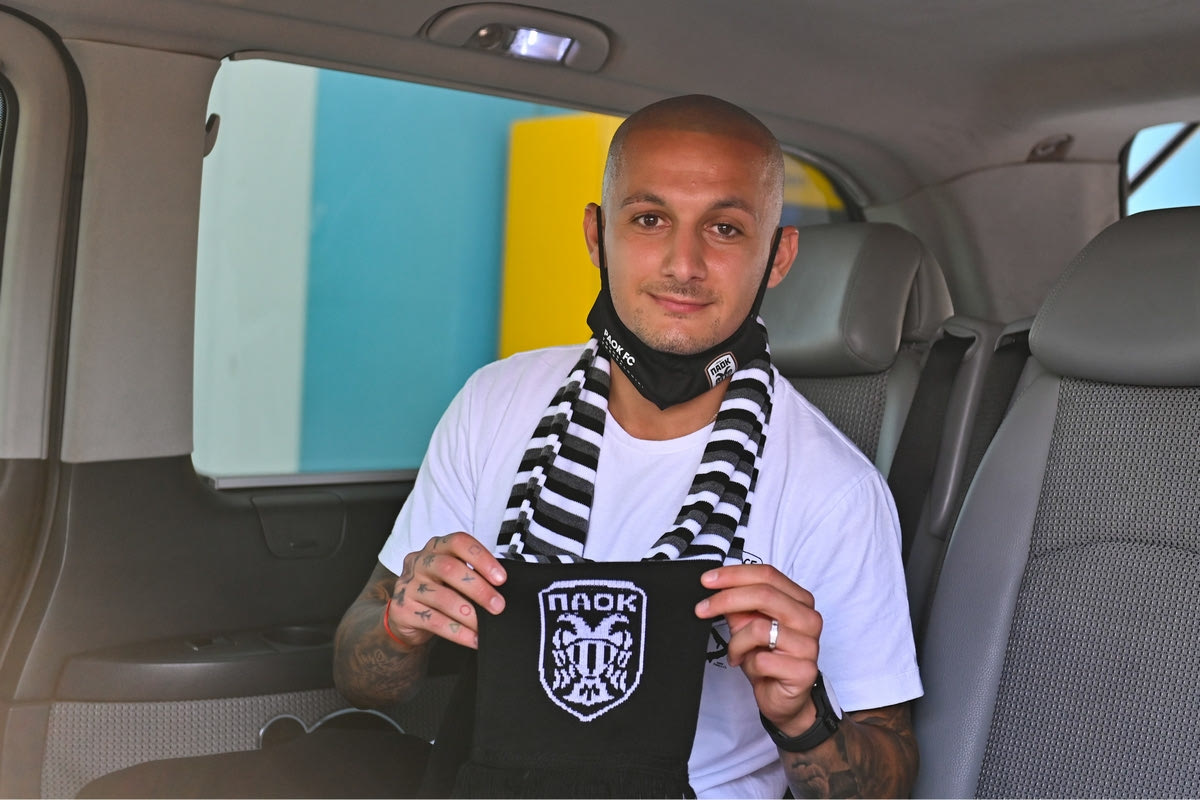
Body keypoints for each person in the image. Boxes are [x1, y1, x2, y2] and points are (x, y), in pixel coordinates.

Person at [333, 94, 922, 798]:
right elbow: (359, 674)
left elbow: (889, 778)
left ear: (778, 256)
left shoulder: (836, 489)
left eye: (725, 228)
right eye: (649, 219)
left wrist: (802, 718)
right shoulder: (494, 404)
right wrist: (400, 626)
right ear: (596, 234)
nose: (684, 264)